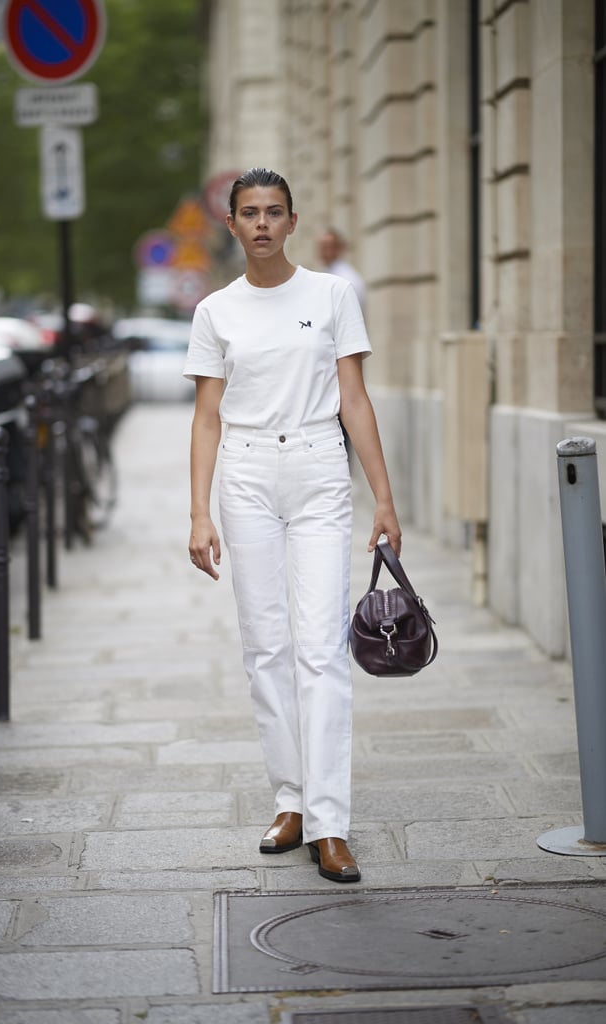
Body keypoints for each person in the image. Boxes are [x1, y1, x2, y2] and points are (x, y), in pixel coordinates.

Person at [184, 168, 401, 884]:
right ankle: (292, 801)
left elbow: (355, 401)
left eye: (274, 212)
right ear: (232, 224)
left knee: (320, 649)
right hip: (245, 474)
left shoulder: (332, 295)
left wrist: (384, 499)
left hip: (315, 469)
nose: (262, 224)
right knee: (265, 648)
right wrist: (198, 511)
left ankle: (331, 822)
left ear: (293, 220)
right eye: (249, 213)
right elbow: (207, 417)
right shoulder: (215, 311)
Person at [317, 226, 366, 313]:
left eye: (327, 247)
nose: (323, 252)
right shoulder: (326, 274)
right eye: (321, 247)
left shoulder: (348, 278)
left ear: (339, 248)